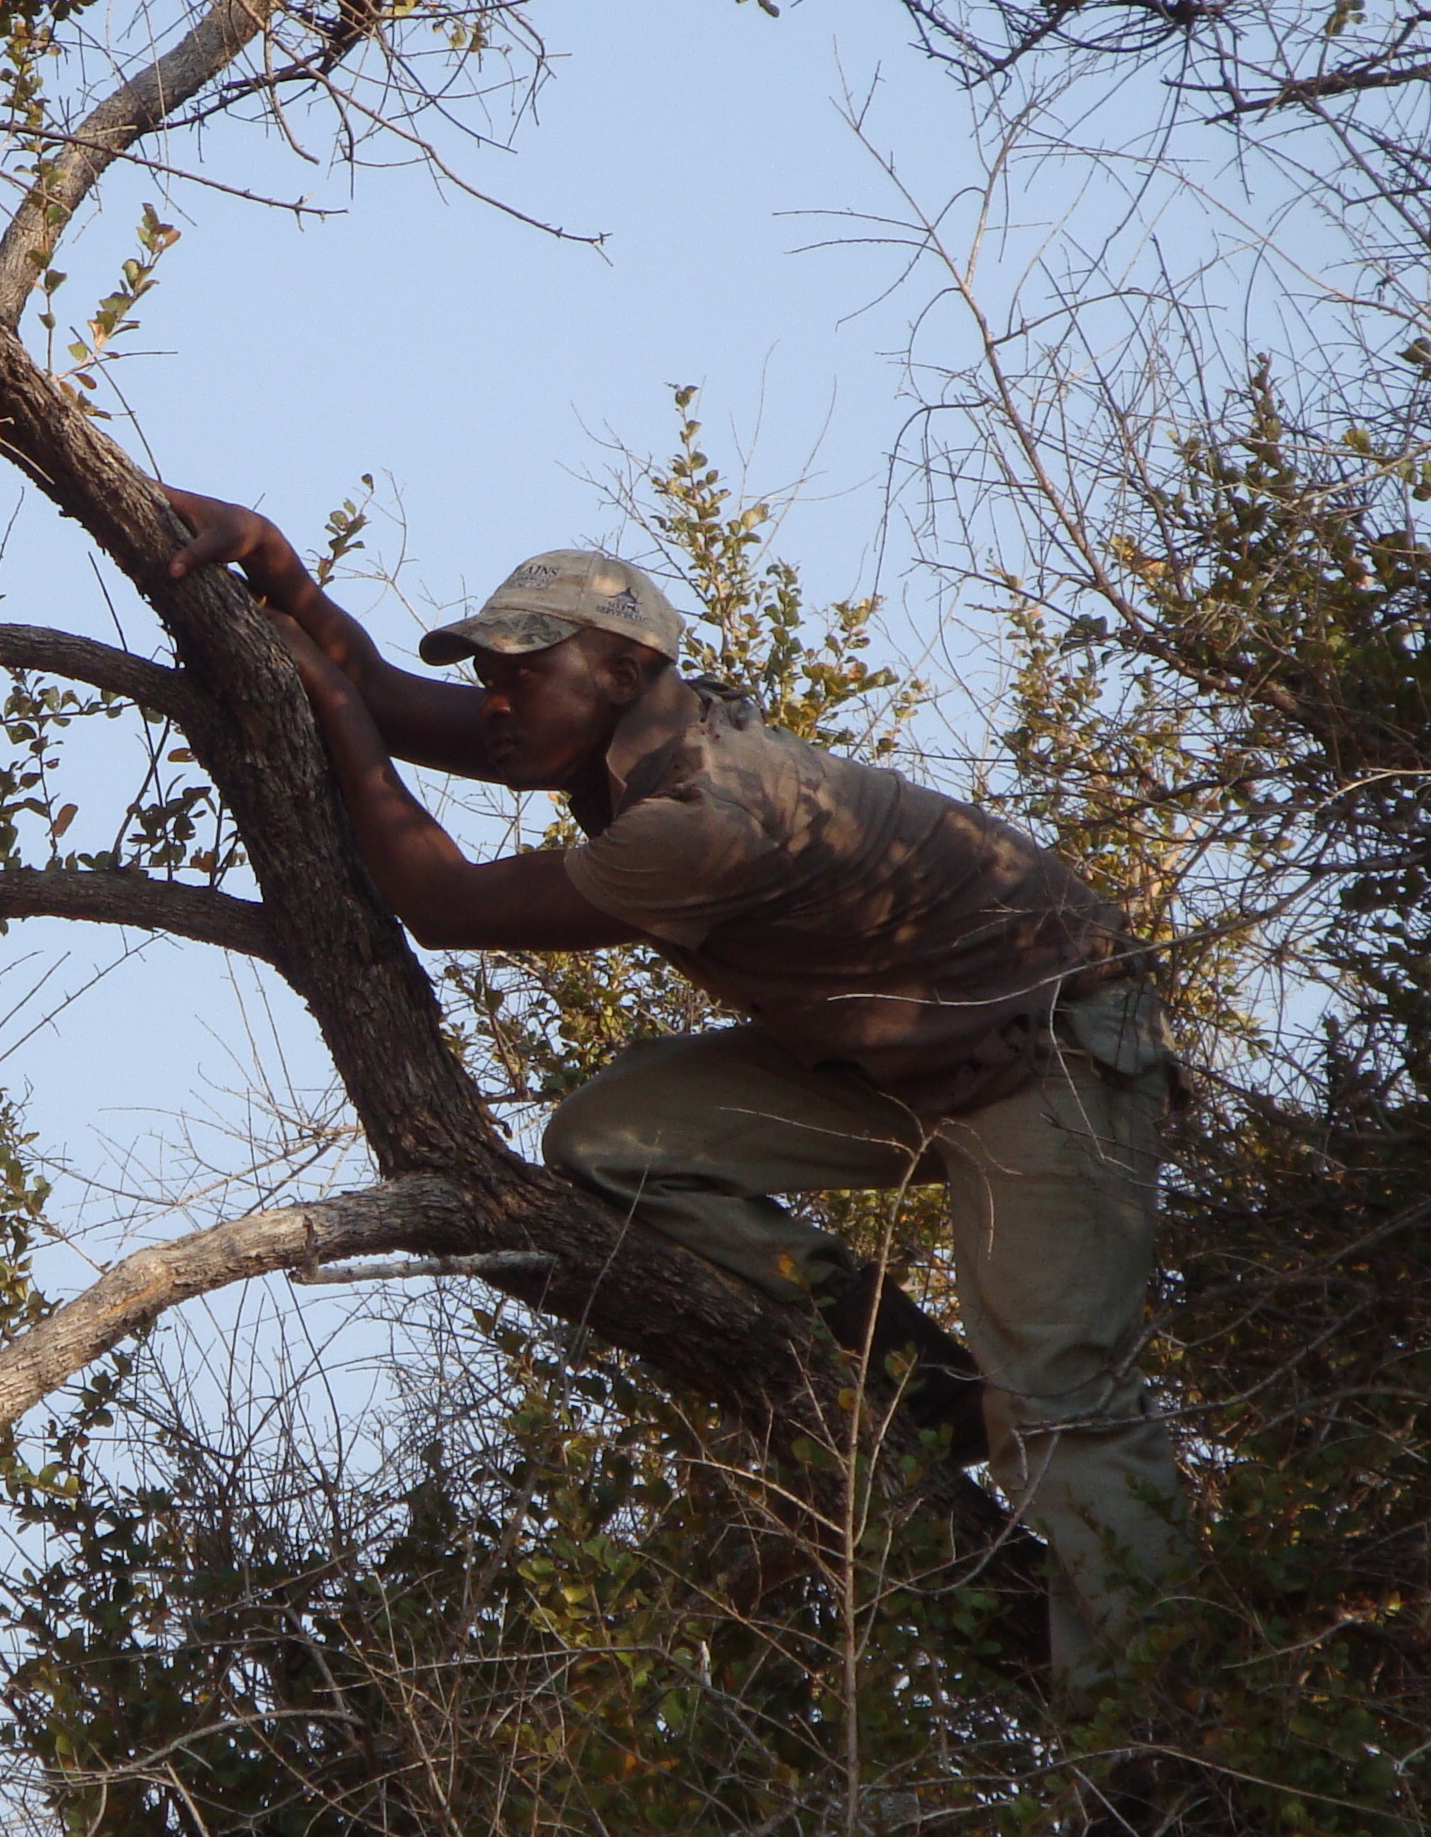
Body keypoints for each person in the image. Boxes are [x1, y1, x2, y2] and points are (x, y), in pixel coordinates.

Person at [162, 488, 1187, 1688]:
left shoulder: (705, 812)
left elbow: (443, 906)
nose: (496, 703)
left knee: (1065, 1403)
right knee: (613, 1138)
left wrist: (326, 701)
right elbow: (392, 699)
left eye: (520, 677)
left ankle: (1155, 1751)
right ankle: (931, 1393)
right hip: (901, 1057)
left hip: (1046, 1051)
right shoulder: (616, 747)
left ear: (625, 667)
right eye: (489, 679)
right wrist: (280, 569)